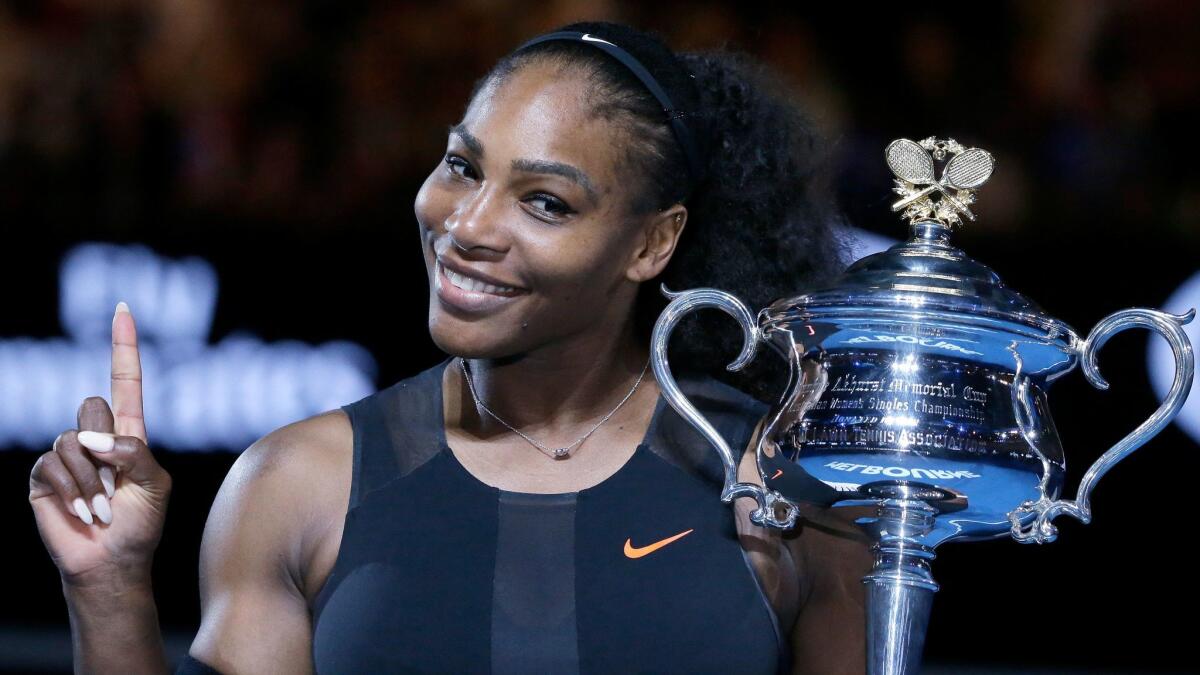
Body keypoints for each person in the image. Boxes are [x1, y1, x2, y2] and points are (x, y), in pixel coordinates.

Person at [29, 20, 873, 674]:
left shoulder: (783, 491)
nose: (465, 226)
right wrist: (105, 585)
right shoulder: (295, 485)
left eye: (545, 202)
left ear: (653, 244)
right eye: (464, 166)